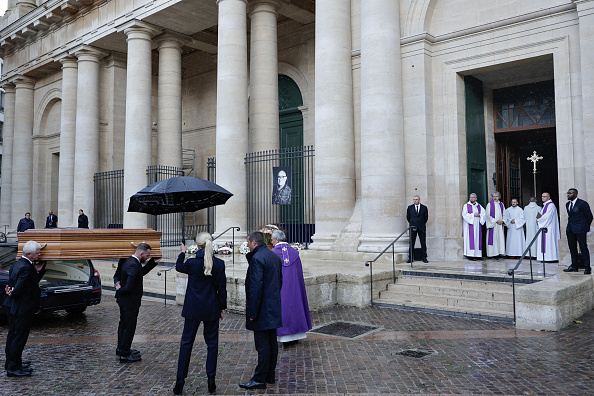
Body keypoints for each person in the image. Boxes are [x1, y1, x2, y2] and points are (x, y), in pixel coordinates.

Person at [173, 233, 227, 395]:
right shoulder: (219, 263)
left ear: (198, 245)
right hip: (211, 308)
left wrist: (182, 252)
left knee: (186, 343)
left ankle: (180, 382)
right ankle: (211, 381)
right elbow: (221, 289)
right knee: (212, 344)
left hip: (193, 308)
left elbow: (178, 266)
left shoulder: (192, 263)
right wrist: (222, 307)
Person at [239, 231, 282, 390]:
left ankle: (259, 379)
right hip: (272, 307)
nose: (248, 245)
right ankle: (270, 374)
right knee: (271, 344)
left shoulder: (257, 259)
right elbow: (280, 283)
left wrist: (252, 312)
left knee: (263, 346)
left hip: (262, 310)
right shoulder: (273, 256)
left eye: (248, 242)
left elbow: (255, 288)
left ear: (254, 243)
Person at [4, 240, 45, 377]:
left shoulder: (17, 263)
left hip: (13, 305)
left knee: (13, 336)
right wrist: (12, 291)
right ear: (29, 253)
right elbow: (19, 288)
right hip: (22, 307)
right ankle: (13, 368)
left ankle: (13, 362)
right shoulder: (26, 268)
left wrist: (38, 270)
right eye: (37, 253)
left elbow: (16, 282)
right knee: (19, 338)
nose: (39, 255)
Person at [114, 243, 160, 363]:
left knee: (123, 324)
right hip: (130, 302)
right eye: (147, 255)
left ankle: (122, 348)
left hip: (124, 301)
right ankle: (124, 354)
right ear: (141, 253)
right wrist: (119, 290)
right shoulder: (133, 266)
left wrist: (153, 262)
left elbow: (139, 272)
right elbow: (128, 288)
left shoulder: (128, 260)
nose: (148, 257)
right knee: (129, 327)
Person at [271, 230, 312, 345]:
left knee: (283, 308)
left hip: (280, 289)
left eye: (272, 240)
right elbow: (299, 273)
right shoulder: (294, 253)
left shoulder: (273, 253)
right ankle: (296, 336)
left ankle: (284, 338)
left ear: (277, 240)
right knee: (296, 306)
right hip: (295, 289)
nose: (272, 242)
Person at [563, 188, 593, 274]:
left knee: (583, 247)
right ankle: (574, 265)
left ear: (575, 194)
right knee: (572, 248)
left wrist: (585, 226)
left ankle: (587, 267)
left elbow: (589, 216)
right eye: (568, 193)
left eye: (570, 193)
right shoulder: (567, 204)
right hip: (570, 229)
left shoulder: (582, 203)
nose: (568, 194)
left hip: (580, 229)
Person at [536, 192, 560, 262]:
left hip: (548, 227)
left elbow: (547, 217)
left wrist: (539, 220)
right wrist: (537, 219)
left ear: (549, 198)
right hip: (545, 226)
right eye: (542, 196)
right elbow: (540, 214)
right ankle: (544, 257)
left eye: (545, 196)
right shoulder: (545, 205)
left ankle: (550, 258)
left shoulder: (551, 206)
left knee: (549, 242)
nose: (542, 197)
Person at [462, 193, 486, 260]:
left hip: (477, 226)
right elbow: (464, 215)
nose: (472, 199)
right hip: (470, 225)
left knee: (477, 239)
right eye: (471, 197)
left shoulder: (479, 206)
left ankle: (477, 255)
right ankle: (470, 255)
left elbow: (484, 214)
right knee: (470, 240)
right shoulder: (466, 206)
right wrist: (473, 215)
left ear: (476, 198)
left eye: (473, 197)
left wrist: (480, 215)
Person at [406, 195, 429, 263]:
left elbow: (426, 218)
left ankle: (424, 257)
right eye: (414, 199)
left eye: (416, 199)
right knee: (412, 243)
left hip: (421, 227)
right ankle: (410, 258)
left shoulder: (424, 208)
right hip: (413, 227)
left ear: (419, 200)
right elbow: (408, 217)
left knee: (423, 243)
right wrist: (413, 223)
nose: (415, 201)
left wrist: (421, 223)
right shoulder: (410, 208)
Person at [485, 192, 506, 259]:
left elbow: (504, 214)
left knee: (499, 239)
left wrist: (502, 221)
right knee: (493, 239)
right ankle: (493, 254)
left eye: (496, 196)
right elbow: (488, 215)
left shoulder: (501, 204)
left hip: (499, 225)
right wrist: (495, 221)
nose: (495, 198)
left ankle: (500, 253)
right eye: (494, 196)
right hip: (493, 225)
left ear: (499, 197)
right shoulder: (489, 205)